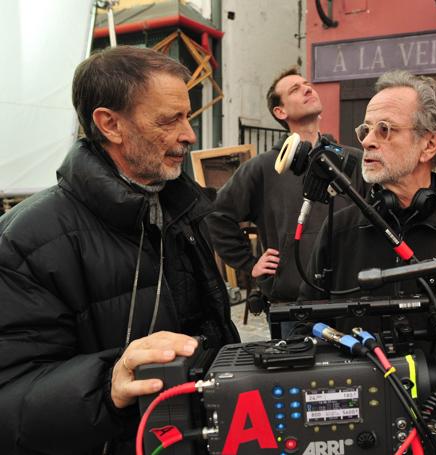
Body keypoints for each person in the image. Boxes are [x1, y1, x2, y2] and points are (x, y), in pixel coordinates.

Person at [0, 46, 239, 454]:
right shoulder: (26, 239)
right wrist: (106, 384)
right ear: (110, 124)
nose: (190, 134)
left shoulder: (180, 206)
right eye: (170, 120)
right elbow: (11, 402)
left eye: (188, 116)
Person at [301, 70, 436, 348]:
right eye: (366, 129)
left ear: (429, 145)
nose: (367, 141)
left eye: (385, 129)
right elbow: (304, 322)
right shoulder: (339, 228)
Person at [207, 67, 365, 312]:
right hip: (291, 306)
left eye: (307, 84)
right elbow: (216, 216)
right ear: (280, 111)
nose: (308, 88)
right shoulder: (261, 168)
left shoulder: (352, 161)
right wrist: (250, 264)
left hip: (352, 299)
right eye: (295, 89)